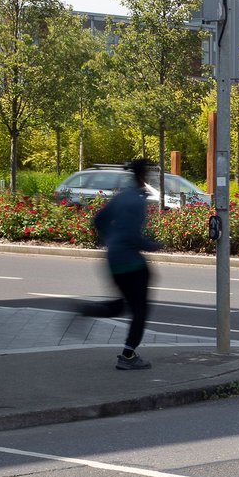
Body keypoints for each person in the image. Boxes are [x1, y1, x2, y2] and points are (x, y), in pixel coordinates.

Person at [79, 157, 160, 370]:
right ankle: (128, 355)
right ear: (143, 176)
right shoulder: (137, 202)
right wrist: (152, 245)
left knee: (125, 305)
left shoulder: (122, 196)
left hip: (113, 260)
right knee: (140, 311)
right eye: (149, 174)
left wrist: (109, 240)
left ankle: (89, 310)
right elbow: (132, 236)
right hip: (131, 263)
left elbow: (98, 220)